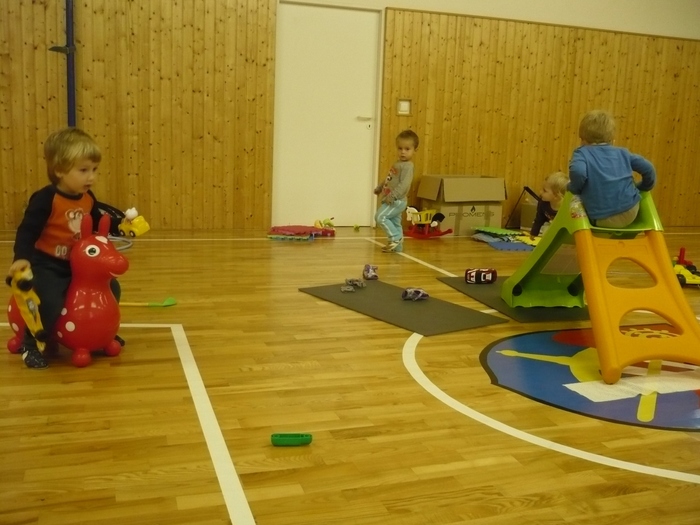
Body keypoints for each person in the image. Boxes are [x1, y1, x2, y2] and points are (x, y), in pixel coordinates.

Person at [6, 127, 123, 369]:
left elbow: (97, 220)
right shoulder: (46, 199)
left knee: (112, 287)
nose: (91, 177)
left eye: (94, 170)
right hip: (47, 264)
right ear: (59, 170)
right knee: (49, 300)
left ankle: (100, 332)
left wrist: (121, 226)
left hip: (77, 264)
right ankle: (30, 344)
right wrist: (21, 258)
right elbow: (27, 230)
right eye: (83, 170)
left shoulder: (87, 197)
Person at [568, 110, 656, 228]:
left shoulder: (582, 152)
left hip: (601, 217)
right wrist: (644, 187)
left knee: (574, 200)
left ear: (582, 139)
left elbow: (578, 172)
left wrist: (574, 188)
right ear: (612, 140)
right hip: (631, 210)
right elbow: (648, 168)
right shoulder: (622, 153)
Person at [374, 129, 418, 253]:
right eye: (400, 148)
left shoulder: (408, 166)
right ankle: (397, 248)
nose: (403, 152)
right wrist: (380, 187)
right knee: (395, 222)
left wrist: (393, 196)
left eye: (407, 149)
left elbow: (404, 184)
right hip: (390, 198)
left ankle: (395, 238)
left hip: (396, 200)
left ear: (414, 150)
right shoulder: (397, 164)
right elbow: (389, 178)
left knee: (380, 217)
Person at [530, 171, 569, 238]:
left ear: (556, 195)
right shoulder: (543, 203)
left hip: (565, 229)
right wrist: (534, 232)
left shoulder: (566, 206)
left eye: (544, 190)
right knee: (546, 230)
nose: (540, 192)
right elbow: (539, 218)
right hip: (552, 226)